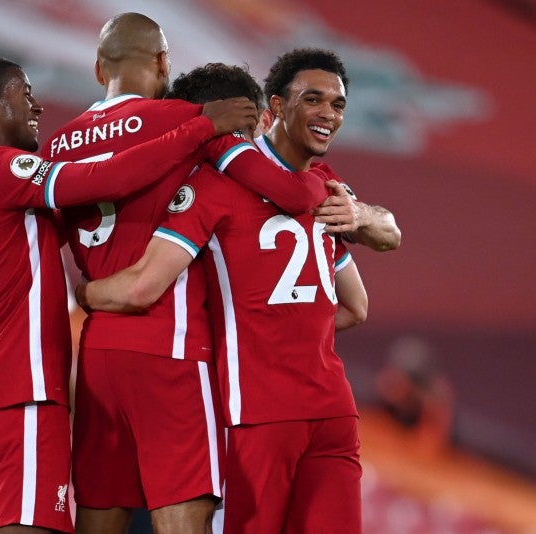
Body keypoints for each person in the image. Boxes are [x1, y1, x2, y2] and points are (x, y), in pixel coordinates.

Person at [40, 13, 343, 534]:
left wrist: (85, 291)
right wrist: (331, 190)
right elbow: (291, 192)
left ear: (97, 69)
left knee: (99, 517)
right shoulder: (186, 123)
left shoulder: (59, 146)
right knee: (183, 521)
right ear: (162, 62)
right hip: (171, 347)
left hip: (100, 352)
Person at [0, 55, 260, 534]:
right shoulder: (2, 170)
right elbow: (105, 179)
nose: (37, 106)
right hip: (21, 390)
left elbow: (56, 229)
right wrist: (200, 125)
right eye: (23, 94)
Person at [257, 48, 402, 252]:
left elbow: (390, 237)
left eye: (338, 106)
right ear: (278, 106)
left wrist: (361, 214)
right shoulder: (233, 165)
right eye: (313, 100)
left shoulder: (326, 184)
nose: (329, 115)